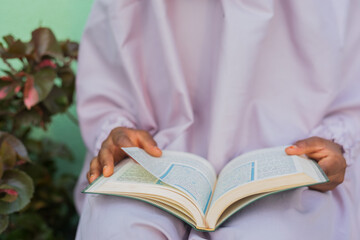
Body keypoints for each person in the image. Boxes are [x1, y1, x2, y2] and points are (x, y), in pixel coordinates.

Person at [74, 0, 360, 239]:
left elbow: (350, 97)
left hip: (291, 173)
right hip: (152, 160)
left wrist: (334, 147)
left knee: (272, 232)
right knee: (119, 227)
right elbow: (108, 83)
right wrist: (116, 133)